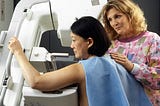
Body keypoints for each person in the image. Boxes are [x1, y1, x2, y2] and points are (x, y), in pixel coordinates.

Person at [98, 0, 160, 105]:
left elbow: (158, 80)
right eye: (110, 19)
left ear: (130, 15)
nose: (114, 23)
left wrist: (132, 67)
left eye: (117, 16)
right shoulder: (111, 45)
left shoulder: (152, 40)